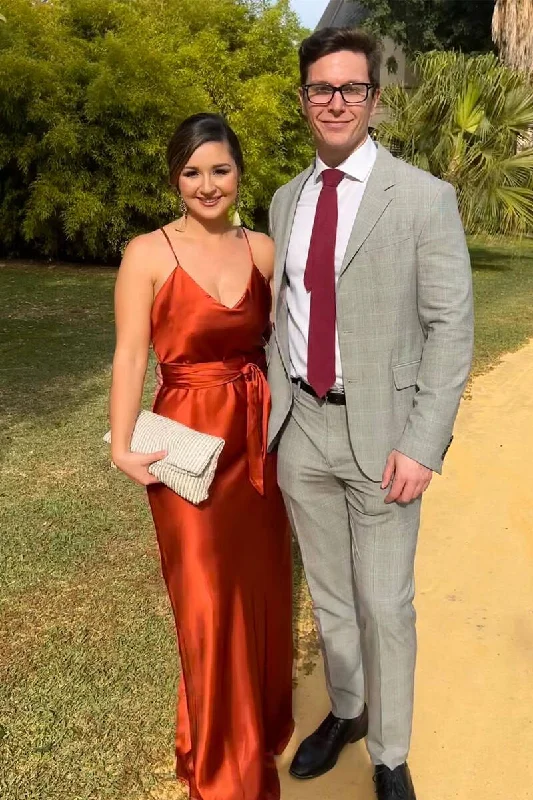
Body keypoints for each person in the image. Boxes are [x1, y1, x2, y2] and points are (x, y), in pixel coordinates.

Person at [267, 27, 474, 800]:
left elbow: (452, 328)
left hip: (384, 436)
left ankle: (388, 753)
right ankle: (347, 711)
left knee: (384, 604)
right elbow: (278, 315)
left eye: (350, 88)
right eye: (320, 88)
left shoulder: (422, 198)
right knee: (328, 596)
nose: (335, 102)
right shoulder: (285, 200)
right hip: (303, 432)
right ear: (302, 100)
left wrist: (422, 444)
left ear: (374, 100)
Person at [109, 113, 294, 800]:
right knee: (207, 607)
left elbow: (281, 346)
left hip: (254, 447)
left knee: (258, 594)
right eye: (192, 172)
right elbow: (131, 354)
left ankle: (257, 731)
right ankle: (221, 768)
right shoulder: (146, 254)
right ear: (174, 178)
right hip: (184, 446)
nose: (206, 184)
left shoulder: (263, 251)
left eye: (219, 169)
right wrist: (123, 444)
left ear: (238, 171)